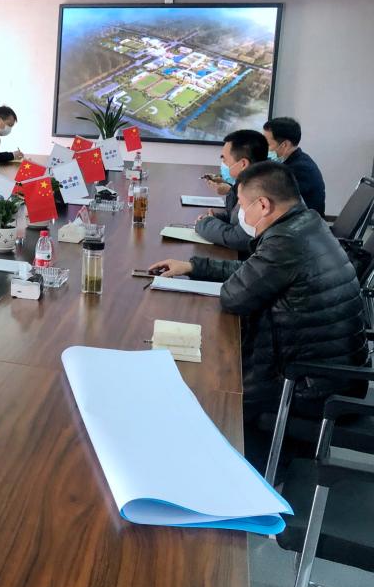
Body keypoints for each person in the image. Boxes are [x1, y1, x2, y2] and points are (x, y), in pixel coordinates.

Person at [150, 162, 367, 469]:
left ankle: (221, 475)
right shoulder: (306, 224)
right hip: (330, 373)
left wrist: (207, 272)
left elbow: (234, 296)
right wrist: (195, 266)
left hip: (309, 385)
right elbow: (256, 272)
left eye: (241, 205)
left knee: (204, 382)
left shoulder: (286, 241)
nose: (240, 214)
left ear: (263, 205)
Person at [195, 129, 269, 252]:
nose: (223, 163)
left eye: (224, 159)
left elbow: (240, 239)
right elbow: (236, 218)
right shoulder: (248, 179)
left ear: (243, 164)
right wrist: (216, 218)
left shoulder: (259, 188)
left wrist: (204, 224)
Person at [263, 116, 326, 217]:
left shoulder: (300, 169)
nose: (264, 148)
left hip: (304, 223)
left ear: (285, 145)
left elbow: (276, 200)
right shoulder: (293, 160)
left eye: (268, 144)